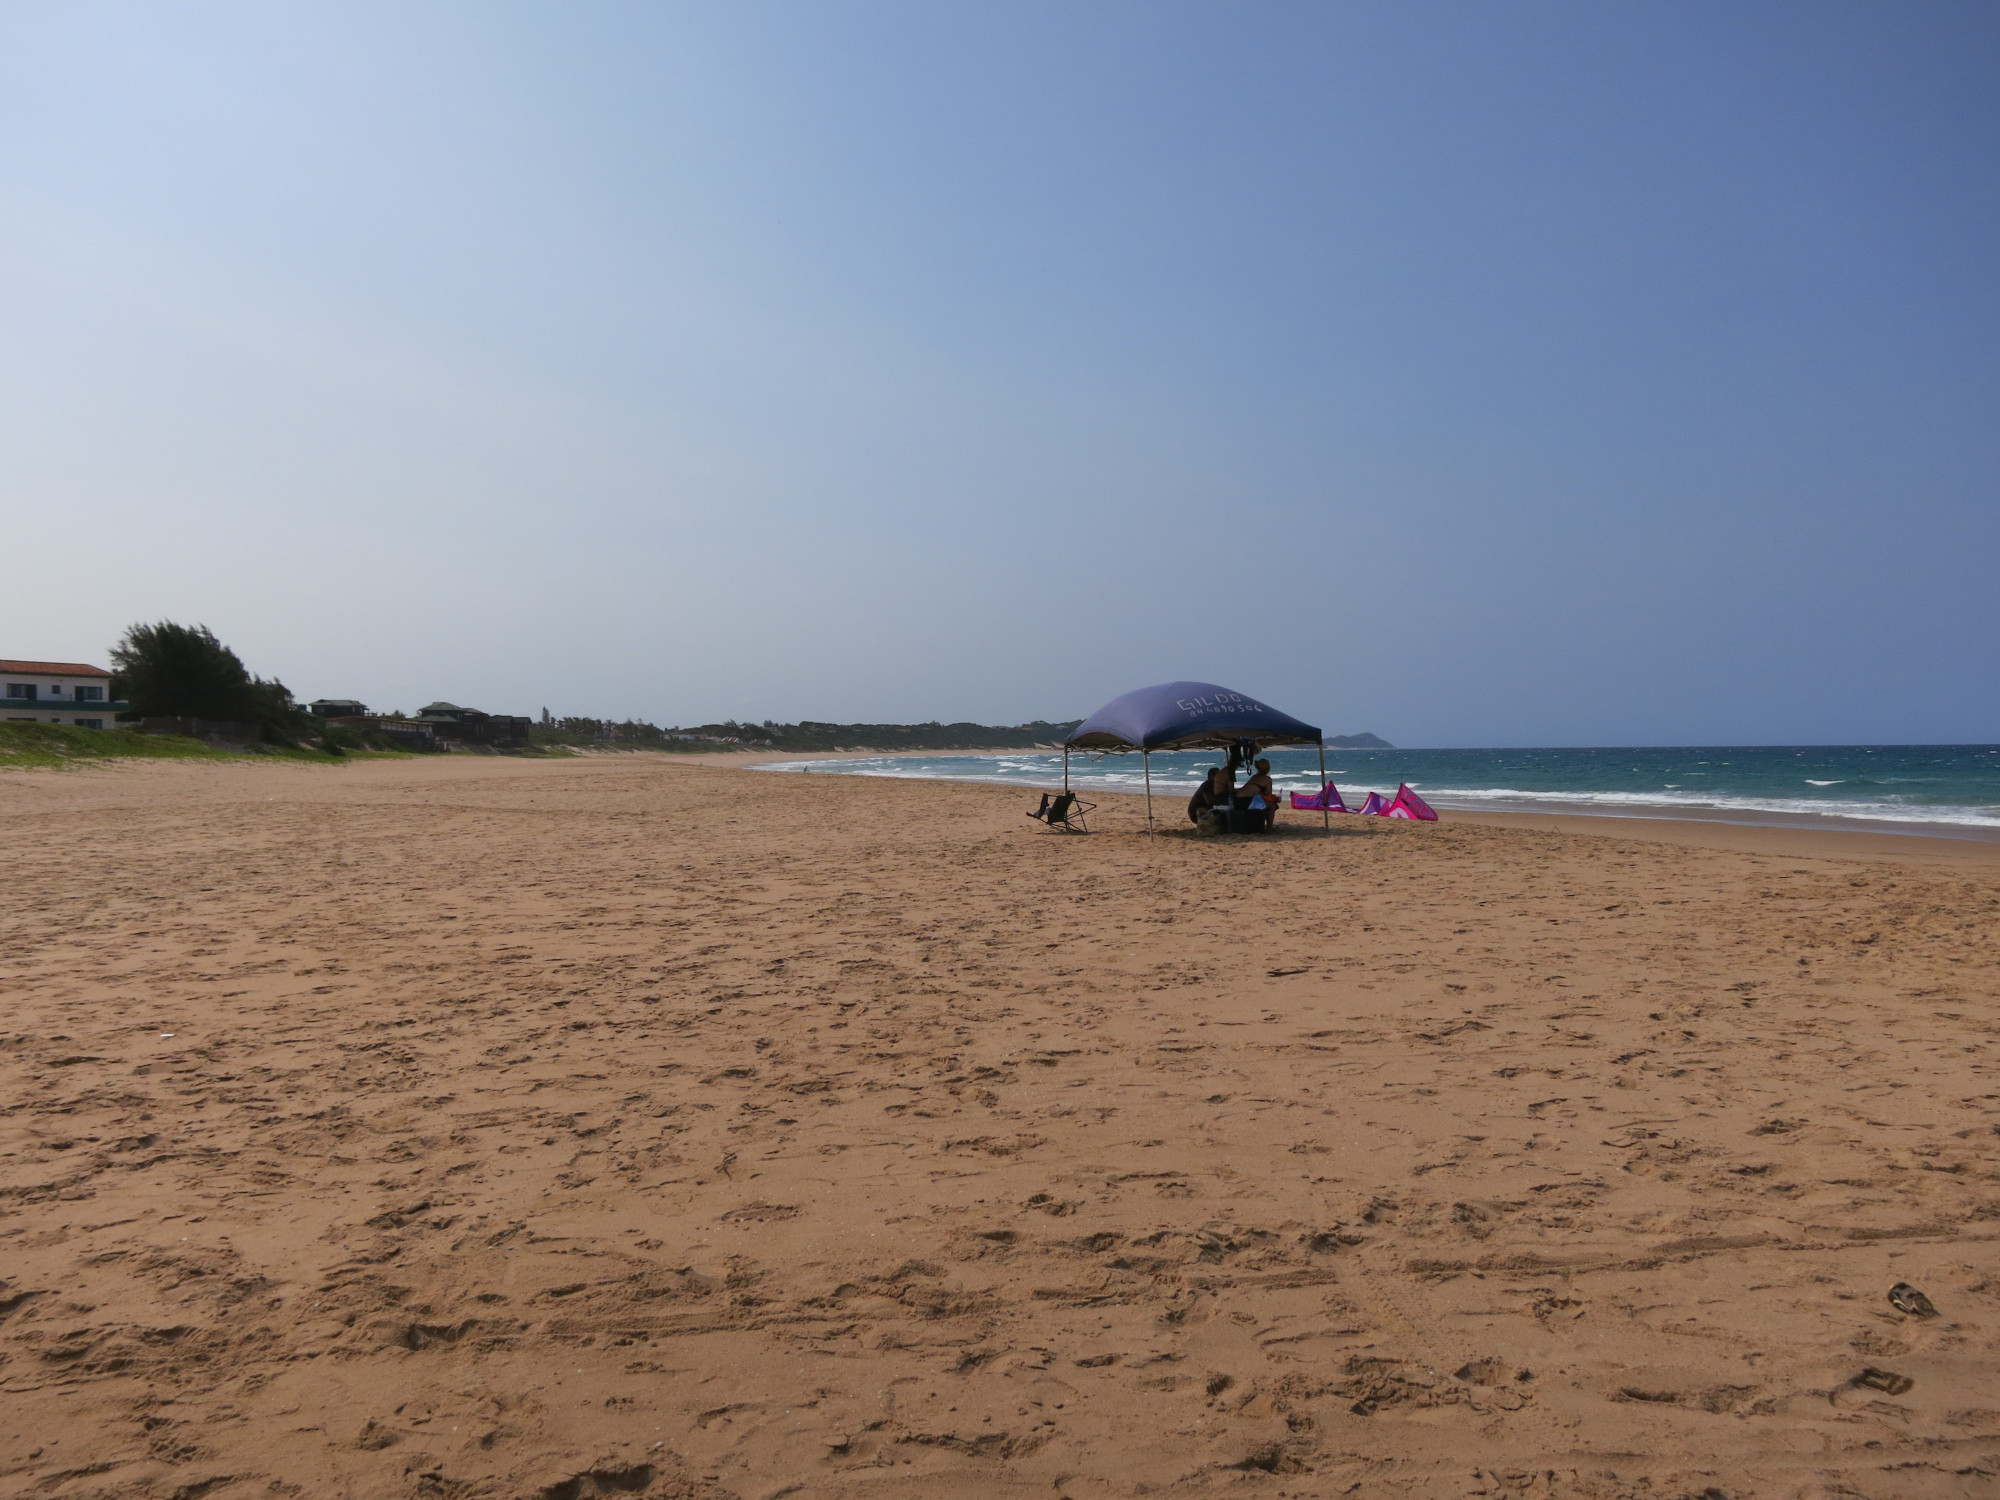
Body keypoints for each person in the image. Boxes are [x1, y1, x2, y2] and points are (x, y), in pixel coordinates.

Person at [1239, 758, 1278, 829]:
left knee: (1265, 804)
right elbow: (1269, 795)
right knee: (1272, 805)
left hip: (1239, 800)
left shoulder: (1254, 777)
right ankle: (1269, 828)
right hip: (1246, 801)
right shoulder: (1267, 779)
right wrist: (1276, 799)